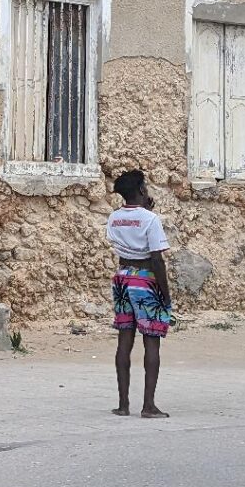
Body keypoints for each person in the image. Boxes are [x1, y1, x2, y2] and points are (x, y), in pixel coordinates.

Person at [106, 170, 172, 419]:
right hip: (145, 279)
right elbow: (157, 258)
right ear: (142, 190)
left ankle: (123, 405)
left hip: (122, 277)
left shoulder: (113, 217)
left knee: (124, 341)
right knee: (151, 342)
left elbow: (122, 239)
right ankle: (148, 405)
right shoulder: (151, 219)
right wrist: (165, 294)